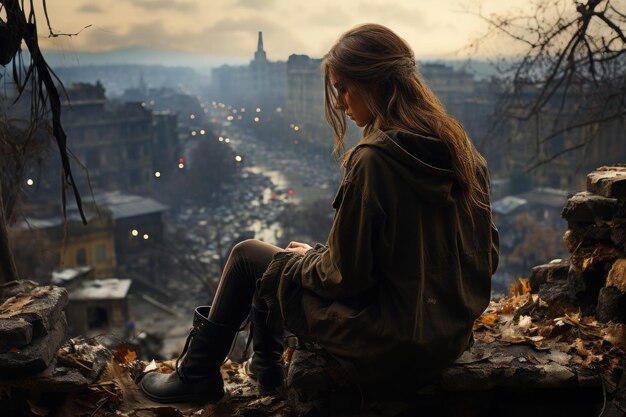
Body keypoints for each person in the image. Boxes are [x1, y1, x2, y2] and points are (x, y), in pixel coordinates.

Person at [140, 23, 499, 406]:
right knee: (282, 264)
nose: (341, 102)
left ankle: (197, 375)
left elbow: (345, 277)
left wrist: (305, 260)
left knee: (249, 256)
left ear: (373, 83)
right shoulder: (460, 148)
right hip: (447, 336)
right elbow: (485, 256)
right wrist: (313, 258)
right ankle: (266, 375)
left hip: (392, 342)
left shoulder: (374, 160)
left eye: (343, 88)